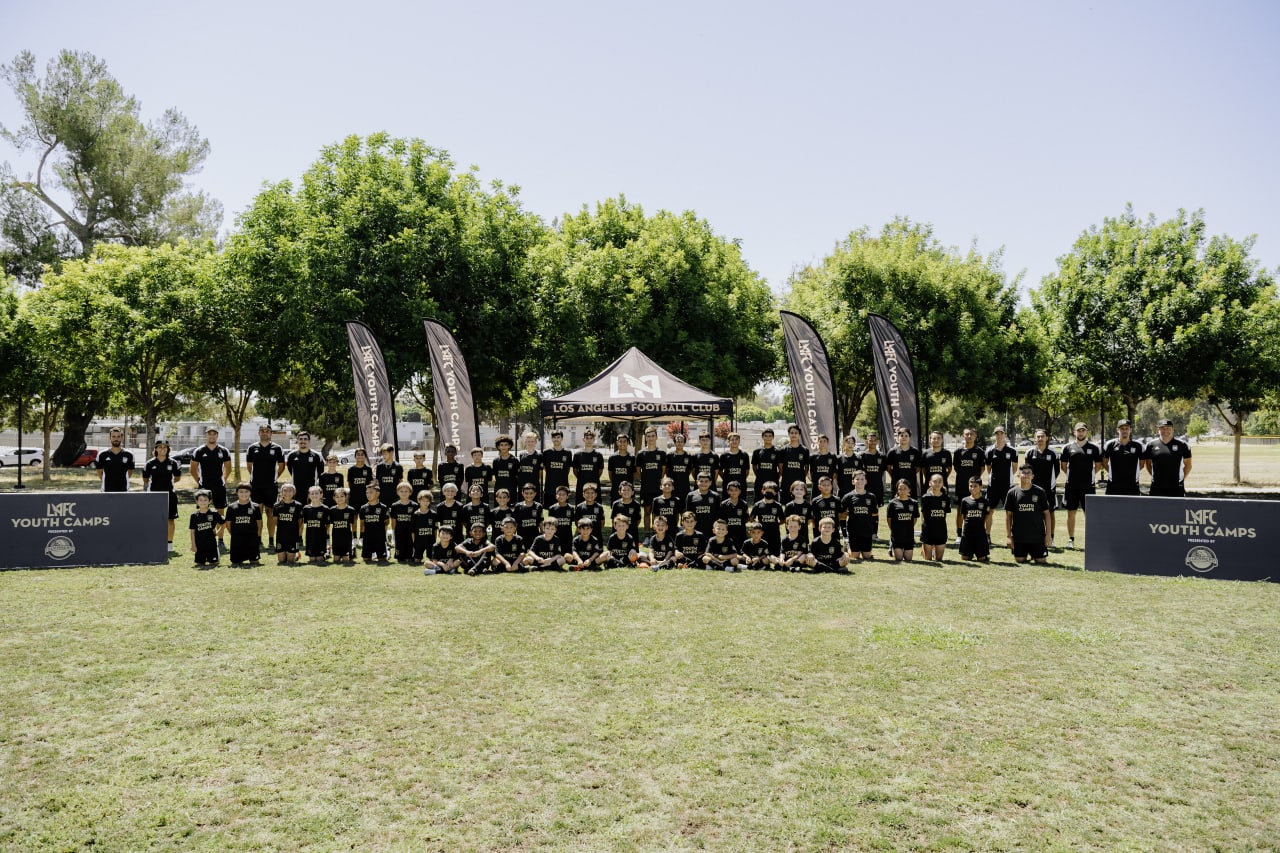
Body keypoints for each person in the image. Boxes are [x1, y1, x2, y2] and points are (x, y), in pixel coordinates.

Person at [1060, 422, 1102, 549]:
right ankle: (1071, 540)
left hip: (1088, 486)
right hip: (1071, 486)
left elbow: (1098, 466)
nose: (1081, 433)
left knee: (1089, 514)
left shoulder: (1094, 448)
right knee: (1071, 513)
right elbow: (1063, 466)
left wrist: (1089, 476)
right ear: (1074, 432)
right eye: (1078, 430)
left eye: (1083, 430)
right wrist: (1072, 476)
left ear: (1086, 432)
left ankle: (1092, 540)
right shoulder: (1067, 448)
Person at [246, 425, 286, 549]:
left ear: (271, 433)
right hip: (256, 486)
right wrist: (256, 478)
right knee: (257, 513)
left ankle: (271, 539)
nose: (264, 433)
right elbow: (249, 466)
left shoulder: (277, 448)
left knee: (270, 513)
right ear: (259, 433)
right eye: (262, 431)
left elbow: (282, 466)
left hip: (271, 487)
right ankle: (258, 539)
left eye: (267, 431)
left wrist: (274, 478)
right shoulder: (252, 448)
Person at [1005, 464, 1051, 564]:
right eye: (1023, 473)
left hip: (1037, 536)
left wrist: (1048, 535)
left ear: (1032, 476)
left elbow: (1047, 514)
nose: (1026, 475)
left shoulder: (1040, 492)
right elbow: (1008, 516)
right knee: (1020, 560)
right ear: (1018, 475)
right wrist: (1009, 536)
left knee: (1041, 561)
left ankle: (1035, 554)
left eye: (1028, 473)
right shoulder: (1012, 493)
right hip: (1019, 537)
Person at [191, 429, 232, 537]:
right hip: (204, 487)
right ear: (206, 435)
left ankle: (220, 539)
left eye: (214, 434)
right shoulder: (199, 451)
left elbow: (228, 468)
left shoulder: (224, 451)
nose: (212, 436)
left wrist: (223, 480)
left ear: (217, 436)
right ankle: (203, 537)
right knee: (202, 512)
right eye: (209, 434)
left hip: (219, 486)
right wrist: (199, 481)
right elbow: (193, 469)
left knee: (220, 513)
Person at [142, 439, 182, 552]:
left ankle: (169, 544)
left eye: (165, 447)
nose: (162, 449)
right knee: (154, 519)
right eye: (160, 447)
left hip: (170, 495)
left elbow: (177, 477)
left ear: (168, 449)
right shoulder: (150, 463)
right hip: (153, 496)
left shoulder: (173, 463)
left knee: (170, 519)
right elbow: (145, 479)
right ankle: (154, 541)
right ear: (156, 449)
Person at [1024, 429, 1059, 546]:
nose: (1040, 439)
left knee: (1050, 513)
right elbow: (1026, 471)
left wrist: (1050, 483)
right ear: (1035, 438)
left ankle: (1051, 538)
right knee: (1032, 513)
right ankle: (1034, 537)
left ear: (1047, 438)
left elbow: (1057, 471)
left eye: (1042, 436)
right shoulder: (1029, 453)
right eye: (1038, 436)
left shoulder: (1053, 453)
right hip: (1032, 489)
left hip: (1049, 489)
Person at [1143, 418, 1193, 497]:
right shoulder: (1151, 445)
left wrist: (1181, 479)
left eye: (1168, 428)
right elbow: (1148, 464)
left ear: (1173, 429)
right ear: (1158, 430)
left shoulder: (1183, 445)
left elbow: (1188, 465)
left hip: (1177, 487)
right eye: (1162, 428)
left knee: (1177, 505)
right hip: (1157, 487)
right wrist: (1155, 477)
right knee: (1155, 505)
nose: (1165, 430)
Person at [985, 426, 1019, 541]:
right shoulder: (989, 451)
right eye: (997, 434)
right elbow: (988, 469)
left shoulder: (1012, 451)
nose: (999, 436)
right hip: (993, 486)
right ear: (994, 435)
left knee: (1009, 512)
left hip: (1007, 486)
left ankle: (1010, 536)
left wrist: (1006, 478)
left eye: (1001, 433)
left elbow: (1014, 468)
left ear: (1005, 435)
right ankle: (987, 536)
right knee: (989, 511)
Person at [842, 470, 879, 561]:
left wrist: (874, 532)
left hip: (867, 530)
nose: (860, 481)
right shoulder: (848, 497)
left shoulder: (871, 496)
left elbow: (875, 514)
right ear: (853, 481)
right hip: (853, 530)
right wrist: (844, 533)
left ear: (866, 481)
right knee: (855, 556)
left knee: (867, 557)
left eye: (862, 479)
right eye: (857, 479)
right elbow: (842, 515)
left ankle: (865, 550)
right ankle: (848, 547)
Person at [636, 426, 668, 530]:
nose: (651, 438)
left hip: (658, 488)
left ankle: (656, 533)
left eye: (653, 436)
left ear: (656, 437)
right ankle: (647, 534)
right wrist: (645, 479)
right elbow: (638, 470)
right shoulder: (641, 454)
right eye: (648, 436)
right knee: (647, 511)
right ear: (645, 438)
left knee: (657, 513)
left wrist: (658, 480)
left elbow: (663, 470)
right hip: (646, 488)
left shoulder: (661, 453)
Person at [1101, 419, 1143, 496]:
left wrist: (1130, 474)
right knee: (1112, 504)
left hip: (1132, 484)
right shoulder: (1110, 445)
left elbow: (1142, 464)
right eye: (1122, 429)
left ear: (1130, 430)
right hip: (1114, 484)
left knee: (1132, 504)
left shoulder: (1138, 446)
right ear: (1117, 430)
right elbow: (1104, 463)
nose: (1124, 431)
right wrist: (1113, 473)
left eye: (1127, 428)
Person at [225, 482, 262, 567]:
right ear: (237, 492)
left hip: (251, 537)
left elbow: (259, 524)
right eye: (241, 492)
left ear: (250, 492)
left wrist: (257, 536)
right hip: (237, 538)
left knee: (254, 561)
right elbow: (228, 524)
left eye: (246, 491)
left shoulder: (255, 506)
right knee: (235, 562)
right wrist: (234, 534)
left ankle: (253, 556)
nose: (244, 494)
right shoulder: (231, 507)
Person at [956, 477, 992, 562]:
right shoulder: (965, 500)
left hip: (980, 532)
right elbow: (964, 516)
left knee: (981, 559)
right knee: (965, 558)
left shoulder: (985, 501)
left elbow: (987, 516)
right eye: (971, 486)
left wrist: (981, 523)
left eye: (975, 486)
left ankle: (983, 555)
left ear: (981, 487)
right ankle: (969, 553)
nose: (972, 488)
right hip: (967, 532)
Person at [919, 473, 952, 562]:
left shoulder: (946, 498)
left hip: (941, 531)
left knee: (939, 559)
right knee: (928, 559)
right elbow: (923, 514)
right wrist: (923, 527)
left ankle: (933, 548)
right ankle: (924, 548)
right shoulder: (926, 497)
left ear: (943, 483)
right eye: (935, 481)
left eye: (940, 481)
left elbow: (944, 514)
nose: (937, 483)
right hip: (928, 531)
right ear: (930, 483)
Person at [885, 479, 919, 562]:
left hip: (908, 535)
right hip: (897, 535)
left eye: (905, 488)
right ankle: (892, 546)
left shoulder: (914, 503)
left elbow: (914, 519)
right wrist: (893, 530)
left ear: (909, 489)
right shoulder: (892, 503)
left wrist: (908, 527)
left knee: (908, 559)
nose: (902, 491)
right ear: (897, 490)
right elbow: (889, 519)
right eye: (900, 489)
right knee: (899, 559)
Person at [188, 489, 223, 569]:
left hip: (211, 543)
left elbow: (223, 523)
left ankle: (215, 556)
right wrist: (193, 545)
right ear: (197, 501)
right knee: (199, 563)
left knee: (214, 563)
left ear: (210, 501)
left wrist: (218, 532)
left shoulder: (214, 513)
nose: (203, 502)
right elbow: (192, 531)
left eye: (205, 500)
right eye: (200, 500)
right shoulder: (194, 515)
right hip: (199, 544)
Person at [749, 481, 784, 556]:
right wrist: (758, 525)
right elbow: (751, 518)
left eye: (771, 492)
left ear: (775, 493)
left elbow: (782, 520)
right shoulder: (758, 505)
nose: (769, 493)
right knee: (762, 552)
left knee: (775, 553)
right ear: (762, 491)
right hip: (762, 533)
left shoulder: (778, 506)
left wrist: (776, 524)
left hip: (774, 533)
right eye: (767, 491)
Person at [346, 449, 374, 542]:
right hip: (354, 498)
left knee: (363, 519)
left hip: (365, 499)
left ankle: (362, 537)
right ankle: (354, 538)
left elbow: (370, 484)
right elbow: (350, 484)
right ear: (355, 456)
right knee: (354, 518)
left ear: (365, 456)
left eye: (362, 454)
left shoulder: (368, 469)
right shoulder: (351, 470)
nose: (360, 456)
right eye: (358, 454)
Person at [885, 428, 922, 498]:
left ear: (909, 437)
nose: (904, 437)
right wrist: (894, 476)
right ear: (897, 437)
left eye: (906, 436)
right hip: (897, 482)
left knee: (911, 502)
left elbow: (919, 467)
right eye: (901, 436)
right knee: (896, 502)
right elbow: (888, 467)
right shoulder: (892, 452)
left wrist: (911, 474)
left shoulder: (915, 452)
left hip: (911, 483)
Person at [96, 427, 136, 493]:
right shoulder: (102, 454)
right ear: (110, 438)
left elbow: (130, 472)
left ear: (122, 438)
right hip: (106, 491)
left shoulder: (129, 455)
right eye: (113, 436)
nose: (116, 439)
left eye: (118, 436)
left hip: (124, 491)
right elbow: (100, 473)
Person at [285, 431, 324, 497]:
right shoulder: (291, 455)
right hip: (296, 490)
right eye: (300, 439)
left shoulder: (316, 456)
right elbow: (290, 470)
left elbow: (321, 472)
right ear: (297, 441)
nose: (303, 441)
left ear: (309, 441)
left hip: (312, 491)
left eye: (305, 439)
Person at [359, 483, 390, 563]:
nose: (368, 494)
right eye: (367, 493)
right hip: (367, 537)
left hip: (380, 537)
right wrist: (361, 537)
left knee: (382, 560)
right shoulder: (363, 508)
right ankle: (372, 553)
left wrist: (383, 535)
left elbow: (387, 522)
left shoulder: (383, 507)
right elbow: (362, 524)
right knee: (366, 559)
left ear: (377, 493)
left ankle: (386, 550)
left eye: (371, 492)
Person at [952, 428, 986, 503]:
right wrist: (964, 475)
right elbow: (956, 467)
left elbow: (982, 468)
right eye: (967, 434)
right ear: (963, 436)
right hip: (961, 484)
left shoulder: (979, 451)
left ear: (975, 436)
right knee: (960, 507)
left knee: (975, 505)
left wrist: (976, 477)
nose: (969, 436)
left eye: (971, 434)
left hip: (974, 484)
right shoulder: (958, 451)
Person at [570, 430, 604, 504]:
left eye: (591, 438)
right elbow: (575, 470)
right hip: (581, 485)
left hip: (594, 484)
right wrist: (582, 478)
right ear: (583, 439)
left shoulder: (598, 455)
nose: (589, 440)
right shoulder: (577, 455)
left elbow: (600, 471)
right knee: (580, 506)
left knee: (596, 506)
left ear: (594, 440)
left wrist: (593, 477)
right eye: (587, 438)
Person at [273, 483, 303, 564]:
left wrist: (299, 535)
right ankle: (291, 553)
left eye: (290, 491)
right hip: (281, 536)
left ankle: (296, 555)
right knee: (281, 560)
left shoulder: (298, 505)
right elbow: (275, 522)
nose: (287, 493)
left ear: (294, 492)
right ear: (281, 492)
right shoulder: (277, 506)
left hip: (293, 536)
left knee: (290, 561)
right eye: (285, 490)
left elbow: (300, 522)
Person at [541, 431, 573, 506]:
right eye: (554, 437)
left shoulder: (568, 453)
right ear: (552, 439)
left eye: (558, 437)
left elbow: (568, 469)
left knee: (563, 508)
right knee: (550, 509)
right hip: (550, 487)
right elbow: (545, 468)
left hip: (563, 486)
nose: (556, 439)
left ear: (562, 438)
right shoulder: (546, 452)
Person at [684, 472, 721, 537]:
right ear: (697, 482)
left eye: (706, 481)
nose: (704, 484)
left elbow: (718, 515)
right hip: (695, 530)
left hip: (711, 531)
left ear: (710, 482)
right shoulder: (690, 495)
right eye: (701, 481)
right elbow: (688, 514)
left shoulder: (715, 496)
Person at [778, 424, 810, 496]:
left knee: (800, 501)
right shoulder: (783, 450)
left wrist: (802, 476)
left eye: (796, 433)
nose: (794, 435)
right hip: (786, 483)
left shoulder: (805, 450)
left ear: (799, 434)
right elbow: (780, 466)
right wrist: (786, 476)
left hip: (800, 483)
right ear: (789, 434)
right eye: (792, 433)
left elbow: (806, 467)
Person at [389, 481, 417, 564]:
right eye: (401, 491)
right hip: (399, 530)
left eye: (406, 491)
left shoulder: (414, 505)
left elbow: (416, 520)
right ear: (397, 492)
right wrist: (393, 532)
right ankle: (400, 556)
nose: (404, 493)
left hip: (410, 531)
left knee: (410, 545)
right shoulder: (394, 506)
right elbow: (393, 520)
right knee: (400, 547)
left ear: (410, 492)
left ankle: (409, 556)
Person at [302, 486, 331, 563]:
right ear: (309, 495)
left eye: (316, 493)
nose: (314, 495)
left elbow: (328, 525)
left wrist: (327, 536)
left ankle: (326, 553)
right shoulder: (306, 508)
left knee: (319, 559)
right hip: (310, 537)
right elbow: (303, 523)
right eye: (312, 493)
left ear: (321, 494)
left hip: (321, 537)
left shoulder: (325, 508)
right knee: (312, 560)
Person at [857, 432, 887, 506]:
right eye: (870, 440)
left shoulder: (882, 456)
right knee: (865, 507)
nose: (873, 442)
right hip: (865, 487)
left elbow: (883, 471)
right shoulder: (862, 456)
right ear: (867, 442)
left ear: (877, 442)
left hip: (878, 487)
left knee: (877, 508)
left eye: (874, 440)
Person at [751, 428, 781, 502]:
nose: (768, 438)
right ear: (762, 437)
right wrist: (758, 475)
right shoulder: (757, 451)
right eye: (766, 436)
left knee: (773, 502)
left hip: (773, 481)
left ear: (773, 437)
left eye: (770, 436)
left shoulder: (777, 451)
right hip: (760, 482)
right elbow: (754, 466)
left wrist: (776, 477)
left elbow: (780, 468)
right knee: (758, 502)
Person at [919, 431, 952, 498]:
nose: (936, 440)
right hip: (929, 484)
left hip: (942, 484)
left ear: (942, 440)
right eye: (934, 438)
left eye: (939, 438)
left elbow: (949, 468)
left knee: (943, 502)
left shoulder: (947, 453)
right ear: (930, 440)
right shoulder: (925, 453)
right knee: (928, 502)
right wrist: (928, 477)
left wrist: (944, 477)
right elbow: (923, 468)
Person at [717, 481, 750, 548]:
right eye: (731, 490)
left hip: (740, 533)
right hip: (728, 533)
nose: (734, 492)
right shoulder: (724, 504)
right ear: (728, 491)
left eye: (736, 490)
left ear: (740, 491)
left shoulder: (744, 504)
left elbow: (746, 519)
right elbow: (721, 519)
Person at [328, 488, 356, 564]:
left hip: (346, 539)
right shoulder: (332, 510)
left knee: (345, 560)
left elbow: (353, 525)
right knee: (336, 560)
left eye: (342, 496)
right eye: (337, 496)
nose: (339, 498)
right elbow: (328, 525)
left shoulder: (351, 510)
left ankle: (352, 551)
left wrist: (354, 538)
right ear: (334, 498)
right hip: (336, 539)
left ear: (346, 497)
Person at [606, 433, 637, 504]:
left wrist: (631, 486)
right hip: (616, 490)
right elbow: (610, 474)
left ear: (628, 443)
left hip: (628, 491)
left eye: (624, 441)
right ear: (617, 443)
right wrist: (614, 484)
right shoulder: (612, 458)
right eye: (620, 441)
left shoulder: (632, 458)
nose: (622, 443)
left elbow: (634, 474)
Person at [810, 475, 841, 540]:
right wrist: (814, 526)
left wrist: (838, 525)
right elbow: (812, 516)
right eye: (824, 485)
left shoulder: (837, 500)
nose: (826, 487)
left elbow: (839, 515)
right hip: (820, 530)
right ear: (819, 487)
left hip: (833, 530)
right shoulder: (815, 501)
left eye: (828, 485)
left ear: (831, 487)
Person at [718, 432, 750, 497]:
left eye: (736, 439)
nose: (734, 441)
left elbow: (747, 471)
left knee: (741, 502)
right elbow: (720, 471)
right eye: (732, 440)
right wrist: (726, 479)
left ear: (739, 441)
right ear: (728, 441)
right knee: (727, 502)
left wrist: (741, 479)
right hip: (728, 485)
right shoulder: (724, 455)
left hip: (741, 485)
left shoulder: (744, 455)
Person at [546, 485, 576, 552]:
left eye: (563, 495)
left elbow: (571, 521)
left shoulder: (571, 508)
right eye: (559, 494)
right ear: (556, 496)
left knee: (567, 554)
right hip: (556, 537)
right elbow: (550, 523)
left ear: (567, 496)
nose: (561, 496)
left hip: (567, 536)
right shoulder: (552, 508)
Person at [410, 490, 437, 564]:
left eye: (427, 501)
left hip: (430, 541)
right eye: (423, 501)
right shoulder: (415, 514)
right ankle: (418, 556)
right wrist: (414, 541)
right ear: (419, 501)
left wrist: (434, 540)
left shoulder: (433, 514)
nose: (425, 503)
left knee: (433, 560)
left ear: (430, 501)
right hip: (419, 541)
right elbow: (412, 530)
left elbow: (435, 529)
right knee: (416, 560)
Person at [666, 432, 694, 500]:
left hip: (684, 487)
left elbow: (690, 470)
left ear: (684, 443)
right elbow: (667, 471)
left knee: (684, 506)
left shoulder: (688, 456)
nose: (679, 443)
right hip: (672, 488)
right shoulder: (669, 456)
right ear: (674, 442)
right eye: (678, 441)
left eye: (681, 441)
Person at [491, 435, 519, 501]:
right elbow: (495, 475)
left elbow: (517, 476)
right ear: (498, 446)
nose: (504, 447)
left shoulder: (514, 460)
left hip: (511, 490)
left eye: (506, 445)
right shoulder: (496, 461)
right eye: (501, 445)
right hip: (499, 490)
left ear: (509, 446)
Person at [516, 432, 543, 501]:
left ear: (535, 442)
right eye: (528, 441)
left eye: (532, 441)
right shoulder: (521, 454)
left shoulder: (539, 455)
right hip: (522, 485)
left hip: (534, 484)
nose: (530, 443)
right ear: (525, 442)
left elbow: (540, 472)